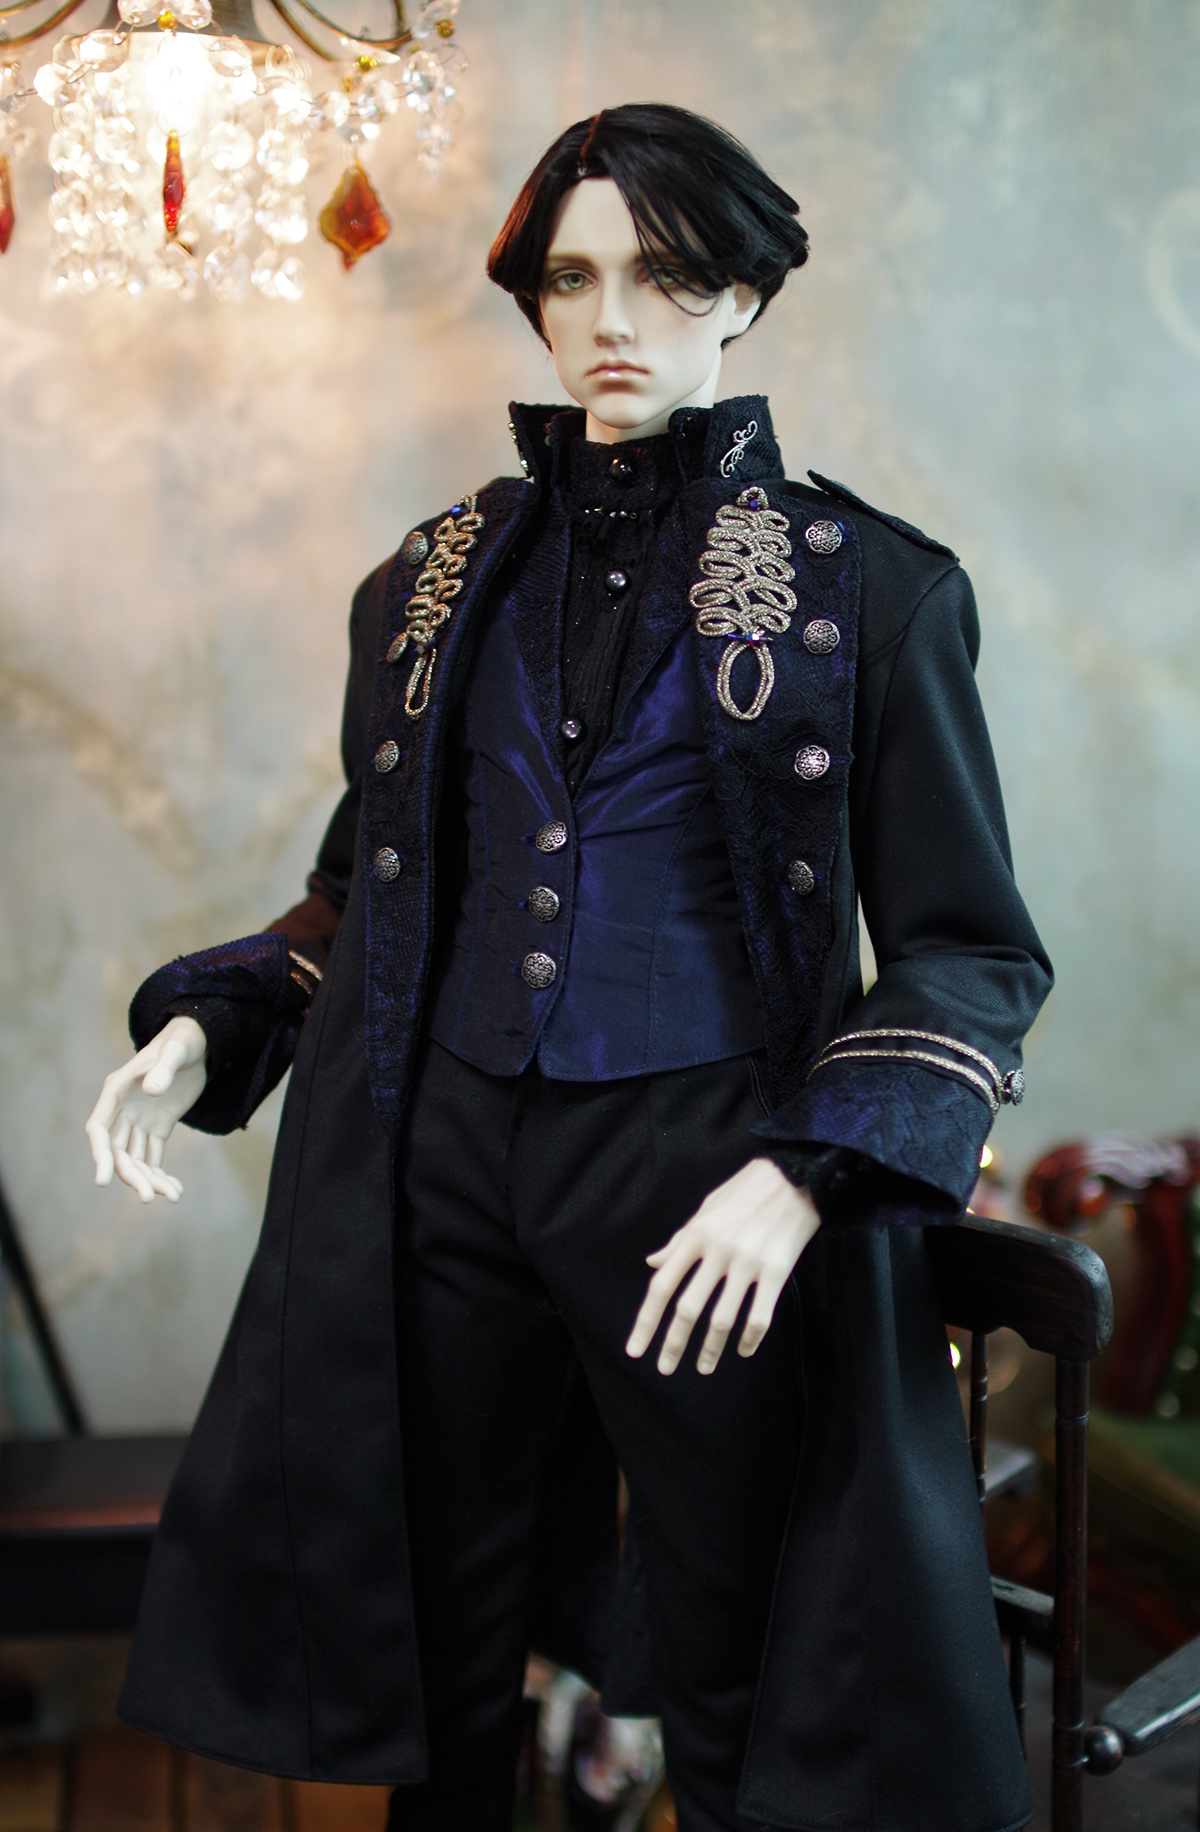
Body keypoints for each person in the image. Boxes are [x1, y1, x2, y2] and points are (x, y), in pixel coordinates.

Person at [85, 104, 1050, 1832]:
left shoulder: (869, 595)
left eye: (664, 278)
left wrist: (807, 1173)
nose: (612, 320)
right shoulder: (431, 586)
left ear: (743, 294)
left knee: (740, 1655)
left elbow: (969, 949)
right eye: (572, 278)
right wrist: (208, 1025)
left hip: (701, 1176)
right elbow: (363, 893)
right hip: (441, 1163)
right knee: (437, 1646)